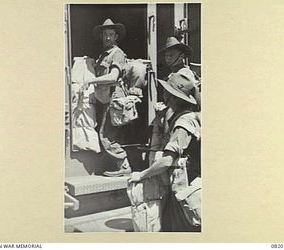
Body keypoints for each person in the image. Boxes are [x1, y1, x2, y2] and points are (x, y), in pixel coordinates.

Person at [129, 71, 201, 231]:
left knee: (181, 228)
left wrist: (142, 174)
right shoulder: (177, 116)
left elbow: (167, 160)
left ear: (173, 97)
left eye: (166, 92)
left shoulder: (184, 122)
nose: (163, 94)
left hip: (185, 188)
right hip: (177, 186)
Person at [79, 18, 132, 177]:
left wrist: (90, 81)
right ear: (101, 36)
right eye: (105, 34)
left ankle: (124, 165)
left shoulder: (117, 53)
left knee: (106, 135)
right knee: (107, 133)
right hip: (105, 99)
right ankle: (114, 164)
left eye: (111, 34)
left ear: (116, 37)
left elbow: (114, 76)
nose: (108, 37)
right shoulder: (103, 55)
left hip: (114, 98)